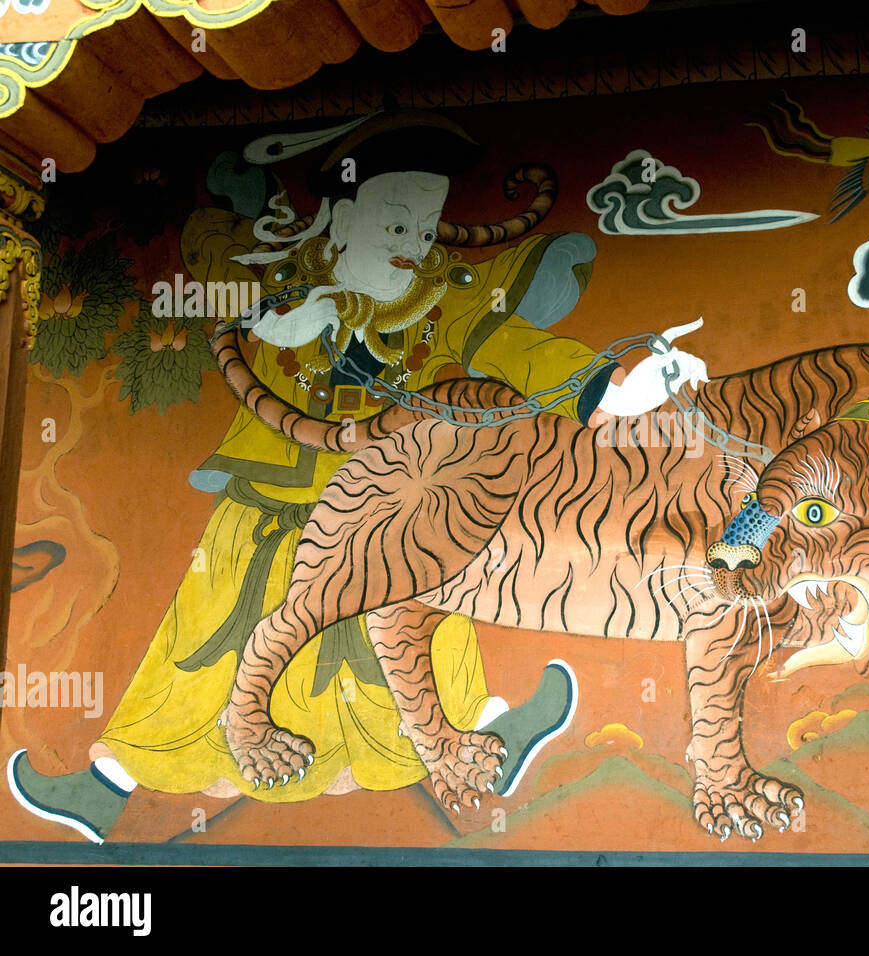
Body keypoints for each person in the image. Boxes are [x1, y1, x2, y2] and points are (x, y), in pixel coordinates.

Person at [8, 111, 707, 843]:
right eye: (394, 226)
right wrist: (274, 311)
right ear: (338, 217)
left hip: (396, 511)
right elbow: (211, 250)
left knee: (426, 630)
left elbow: (519, 351)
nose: (412, 248)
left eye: (424, 229)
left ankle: (489, 738)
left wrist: (618, 392)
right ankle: (105, 787)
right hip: (270, 500)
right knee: (205, 634)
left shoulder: (449, 298)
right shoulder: (277, 277)